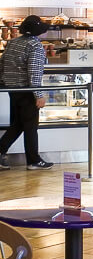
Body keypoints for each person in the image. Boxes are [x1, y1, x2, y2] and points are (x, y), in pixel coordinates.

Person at [0, 15, 53, 171]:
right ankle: (33, 160)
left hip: (13, 90)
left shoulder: (13, 42)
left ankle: (1, 149)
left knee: (20, 124)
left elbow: (2, 64)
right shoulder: (35, 46)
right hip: (26, 90)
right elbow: (34, 73)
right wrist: (38, 95)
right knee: (30, 126)